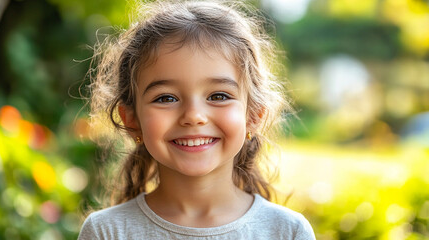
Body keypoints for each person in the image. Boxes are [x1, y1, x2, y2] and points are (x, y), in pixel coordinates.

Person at [79, 0, 316, 239]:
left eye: (218, 96)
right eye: (166, 98)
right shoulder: (105, 231)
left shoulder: (288, 231)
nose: (193, 116)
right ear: (131, 120)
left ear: (253, 115)